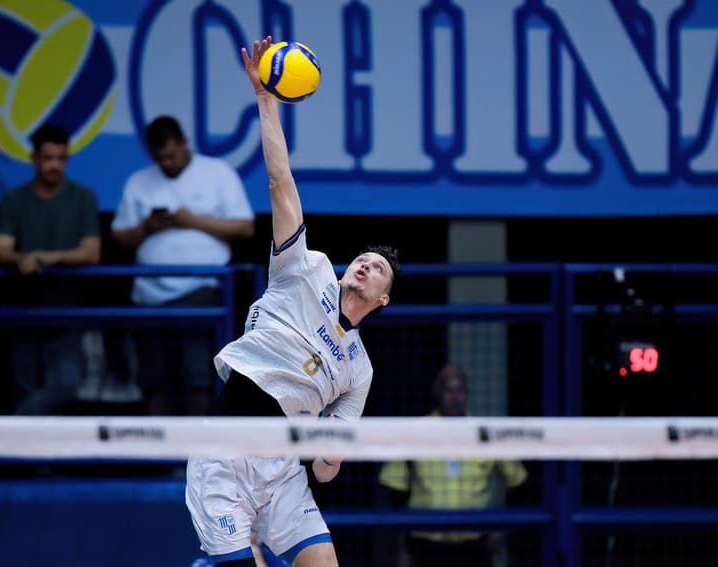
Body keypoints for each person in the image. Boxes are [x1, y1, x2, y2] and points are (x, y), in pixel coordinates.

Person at [185, 36, 400, 567]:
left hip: (283, 472)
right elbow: (281, 183)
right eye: (364, 258)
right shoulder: (303, 270)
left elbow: (327, 468)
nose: (366, 264)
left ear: (382, 299)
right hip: (226, 453)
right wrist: (266, 100)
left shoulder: (359, 370)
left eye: (379, 268)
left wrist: (330, 453)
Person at [110, 115, 254, 415]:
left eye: (172, 155)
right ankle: (160, 459)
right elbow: (119, 237)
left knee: (198, 374)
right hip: (149, 294)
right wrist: (148, 227)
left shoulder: (218, 173)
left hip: (201, 289)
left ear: (184, 143)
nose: (167, 163)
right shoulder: (139, 182)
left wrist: (193, 221)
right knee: (153, 378)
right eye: (160, 158)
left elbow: (245, 228)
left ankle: (198, 454)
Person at [0, 123, 101, 415]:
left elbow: (92, 251)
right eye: (48, 158)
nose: (55, 165)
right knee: (25, 387)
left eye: (61, 158)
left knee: (66, 386)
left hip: (67, 312)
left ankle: (9, 430)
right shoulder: (15, 199)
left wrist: (46, 257)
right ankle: (25, 456)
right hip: (23, 310)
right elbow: (0, 248)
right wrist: (19, 260)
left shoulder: (83, 197)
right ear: (34, 158)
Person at [378, 364, 528, 567]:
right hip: (426, 545)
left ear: (467, 394)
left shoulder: (484, 433)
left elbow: (517, 479)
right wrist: (401, 549)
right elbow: (394, 492)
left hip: (473, 545)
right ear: (438, 393)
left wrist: (501, 528)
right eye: (449, 390)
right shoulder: (416, 432)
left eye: (460, 390)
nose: (455, 397)